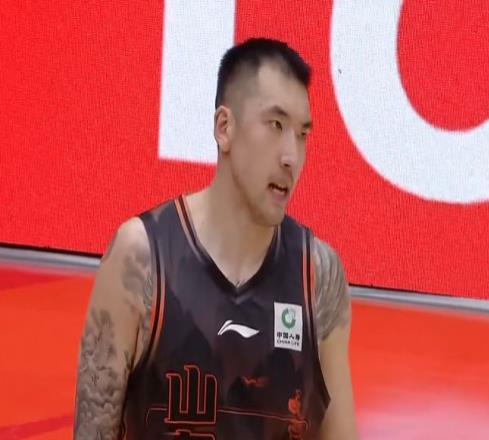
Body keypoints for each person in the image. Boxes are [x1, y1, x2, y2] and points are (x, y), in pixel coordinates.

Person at [73, 38, 357, 440]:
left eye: (302, 134)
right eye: (276, 126)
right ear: (224, 128)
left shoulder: (319, 276)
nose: (291, 156)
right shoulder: (141, 258)